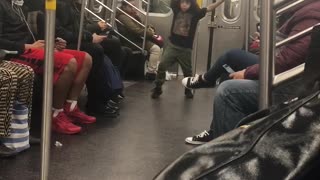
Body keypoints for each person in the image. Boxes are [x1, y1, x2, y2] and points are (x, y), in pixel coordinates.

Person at [183, 0, 320, 145]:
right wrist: (264, 42)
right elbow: (288, 48)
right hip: (284, 69)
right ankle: (216, 131)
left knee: (227, 91)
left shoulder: (312, 13)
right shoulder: (301, 9)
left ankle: (231, 153)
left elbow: (289, 59)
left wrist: (248, 73)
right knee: (230, 63)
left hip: (291, 83)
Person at [0, 0, 96, 135]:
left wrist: (51, 44)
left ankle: (71, 106)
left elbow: (27, 36)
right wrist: (27, 47)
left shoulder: (19, 6)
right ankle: (55, 114)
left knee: (85, 58)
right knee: (69, 62)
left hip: (29, 47)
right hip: (13, 53)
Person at [151, 0, 225, 99]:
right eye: (182, 3)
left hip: (185, 49)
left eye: (187, 3)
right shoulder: (176, 9)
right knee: (162, 65)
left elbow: (210, 7)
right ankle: (158, 87)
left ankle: (188, 89)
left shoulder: (196, 14)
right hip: (173, 45)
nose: (184, 5)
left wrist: (221, 1)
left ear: (191, 4)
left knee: (187, 71)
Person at [116, 0, 162, 80]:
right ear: (124, 7)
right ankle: (151, 73)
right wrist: (150, 32)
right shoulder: (123, 17)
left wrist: (149, 27)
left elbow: (142, 25)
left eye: (134, 6)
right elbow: (136, 30)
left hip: (136, 38)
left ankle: (153, 69)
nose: (134, 8)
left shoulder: (132, 15)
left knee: (160, 44)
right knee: (156, 49)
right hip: (131, 41)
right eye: (131, 6)